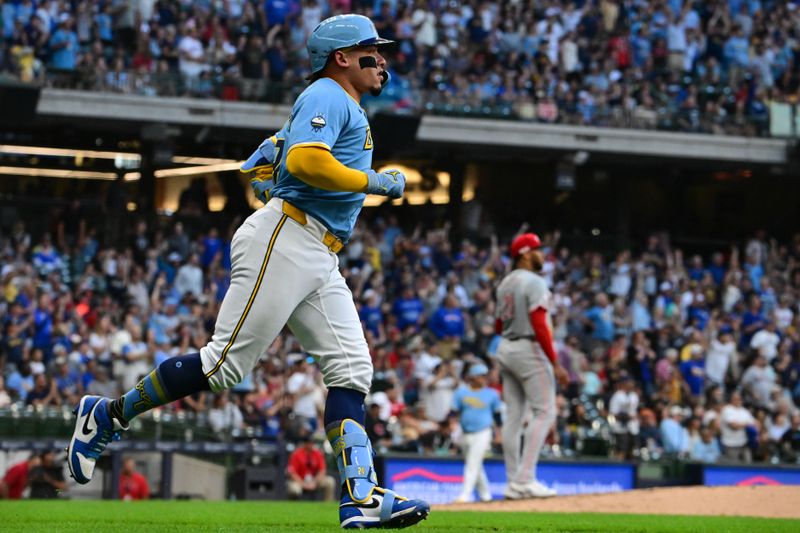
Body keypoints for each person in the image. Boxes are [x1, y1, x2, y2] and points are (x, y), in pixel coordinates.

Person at [67, 14, 429, 529]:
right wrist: (371, 181)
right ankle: (108, 413)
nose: (382, 59)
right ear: (342, 57)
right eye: (371, 50)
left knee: (352, 371)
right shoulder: (328, 91)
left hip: (318, 249)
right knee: (223, 368)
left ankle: (360, 499)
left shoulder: (335, 102)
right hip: (288, 236)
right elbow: (306, 161)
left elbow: (274, 157)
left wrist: (273, 156)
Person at [494, 233, 568, 499]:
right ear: (525, 253)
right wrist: (556, 363)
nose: (542, 255)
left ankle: (513, 481)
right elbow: (539, 324)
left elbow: (498, 325)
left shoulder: (505, 283)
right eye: (538, 250)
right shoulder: (534, 281)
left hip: (505, 347)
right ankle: (525, 480)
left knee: (514, 417)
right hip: (528, 348)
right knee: (545, 411)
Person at [451, 363, 502, 503]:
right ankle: (486, 496)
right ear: (472, 377)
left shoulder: (492, 394)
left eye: (485, 375)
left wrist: (498, 434)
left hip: (484, 431)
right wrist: (453, 427)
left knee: (472, 463)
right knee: (475, 464)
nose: (484, 378)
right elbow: (454, 412)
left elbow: (498, 417)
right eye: (481, 375)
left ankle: (465, 495)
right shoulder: (461, 392)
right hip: (465, 431)